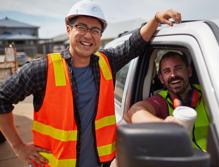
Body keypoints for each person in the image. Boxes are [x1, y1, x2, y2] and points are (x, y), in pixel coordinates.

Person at [0, 0, 182, 166]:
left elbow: (134, 44)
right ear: (68, 29)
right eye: (82, 27)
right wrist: (18, 146)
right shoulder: (42, 69)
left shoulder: (106, 62)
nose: (89, 35)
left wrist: (156, 18)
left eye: (95, 30)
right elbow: (2, 99)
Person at [125, 51, 210, 151]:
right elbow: (134, 112)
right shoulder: (161, 101)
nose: (173, 75)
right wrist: (164, 125)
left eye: (178, 68)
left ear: (189, 71)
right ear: (161, 79)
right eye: (167, 71)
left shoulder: (207, 93)